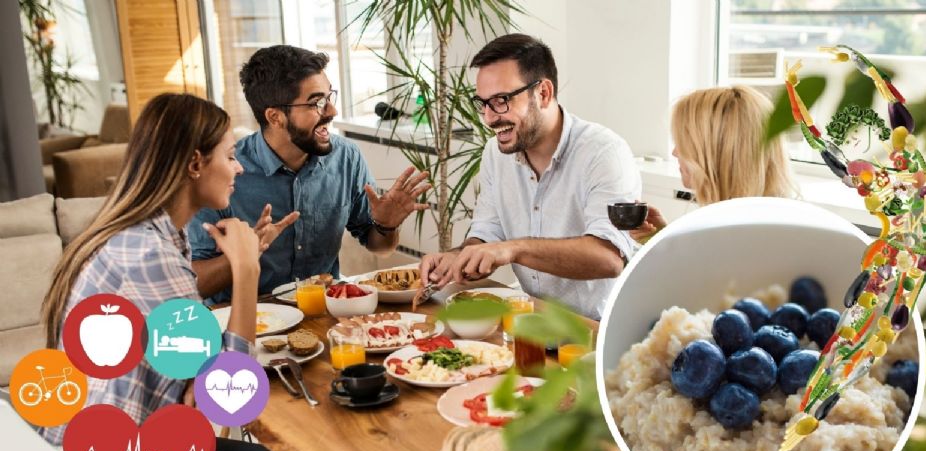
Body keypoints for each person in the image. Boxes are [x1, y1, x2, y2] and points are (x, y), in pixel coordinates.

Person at [39, 93, 328, 451]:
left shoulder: (144, 235)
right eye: (230, 157)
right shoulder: (151, 254)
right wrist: (247, 272)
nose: (239, 169)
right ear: (195, 164)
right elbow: (228, 400)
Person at [418, 34, 640, 320]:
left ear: (543, 93)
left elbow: (609, 259)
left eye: (501, 101)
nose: (488, 118)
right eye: (483, 103)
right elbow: (487, 232)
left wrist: (513, 249)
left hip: (599, 331)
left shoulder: (603, 152)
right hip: (534, 322)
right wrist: (459, 256)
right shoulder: (494, 154)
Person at [189, 45, 429, 304]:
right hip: (248, 320)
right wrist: (246, 254)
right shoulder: (224, 172)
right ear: (275, 117)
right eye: (317, 103)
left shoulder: (346, 157)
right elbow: (197, 283)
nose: (332, 111)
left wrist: (387, 225)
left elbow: (380, 246)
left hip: (324, 312)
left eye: (330, 97)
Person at [630, 85, 796, 243]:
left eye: (684, 143)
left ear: (717, 152)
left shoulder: (729, 237)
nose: (675, 152)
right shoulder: (763, 224)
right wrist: (663, 238)